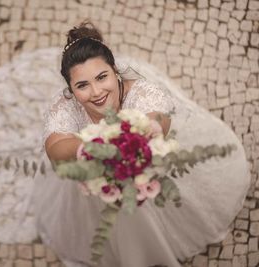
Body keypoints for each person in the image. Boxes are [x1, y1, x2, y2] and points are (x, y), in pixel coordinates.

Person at [32, 21, 251, 266]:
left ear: (115, 71)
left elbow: (159, 121)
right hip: (99, 187)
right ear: (71, 90)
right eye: (82, 85)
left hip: (149, 171)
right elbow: (55, 150)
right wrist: (92, 146)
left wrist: (136, 138)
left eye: (102, 77)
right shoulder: (65, 108)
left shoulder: (143, 93)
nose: (96, 92)